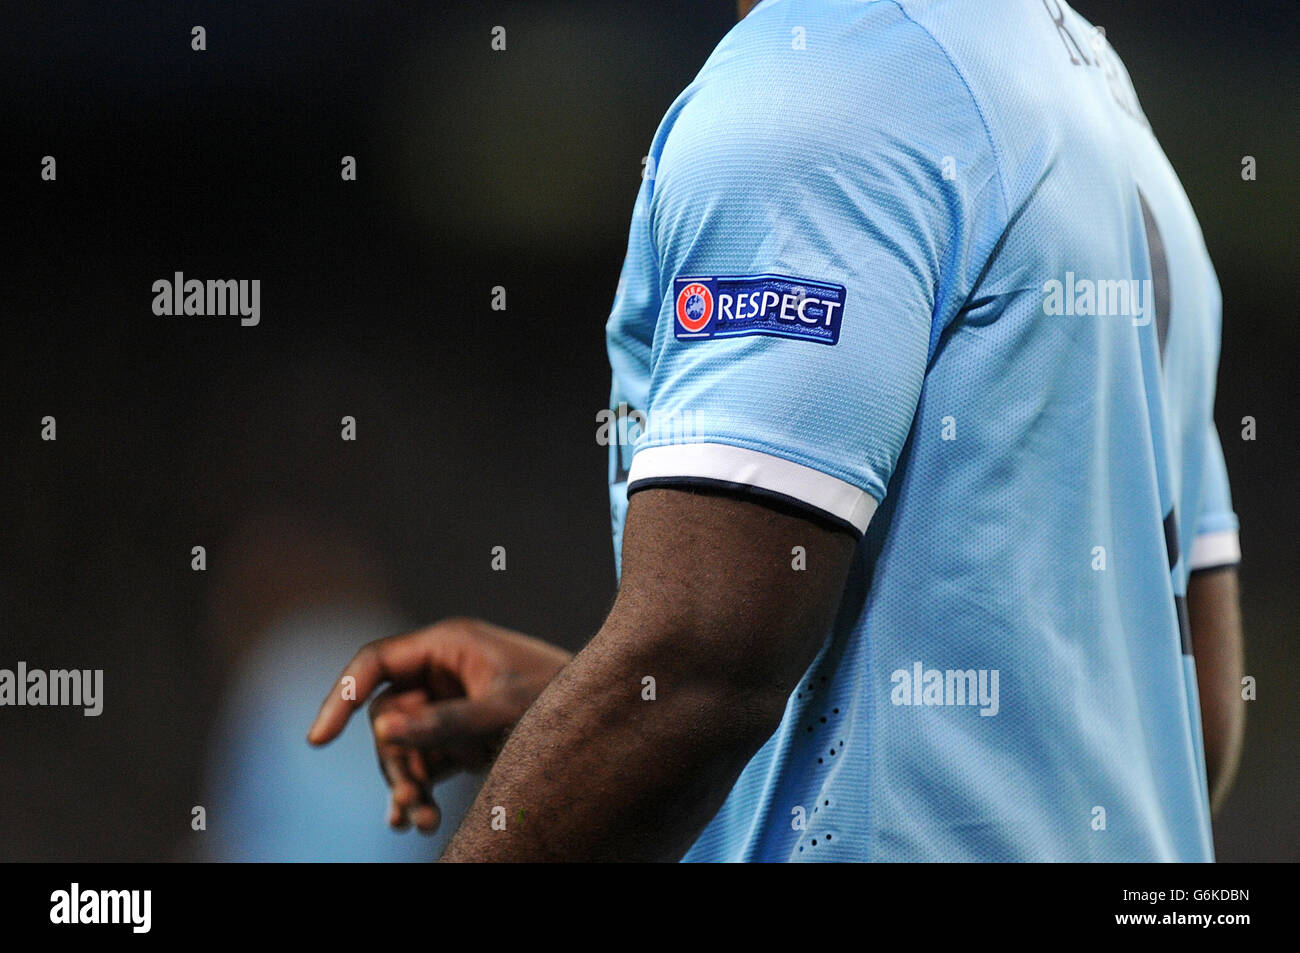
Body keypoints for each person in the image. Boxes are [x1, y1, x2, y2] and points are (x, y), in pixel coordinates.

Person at [309, 0, 1244, 861]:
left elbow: (703, 670)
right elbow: (1188, 727)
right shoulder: (1110, 122)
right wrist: (585, 711)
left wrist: (649, 704)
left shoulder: (823, 89)